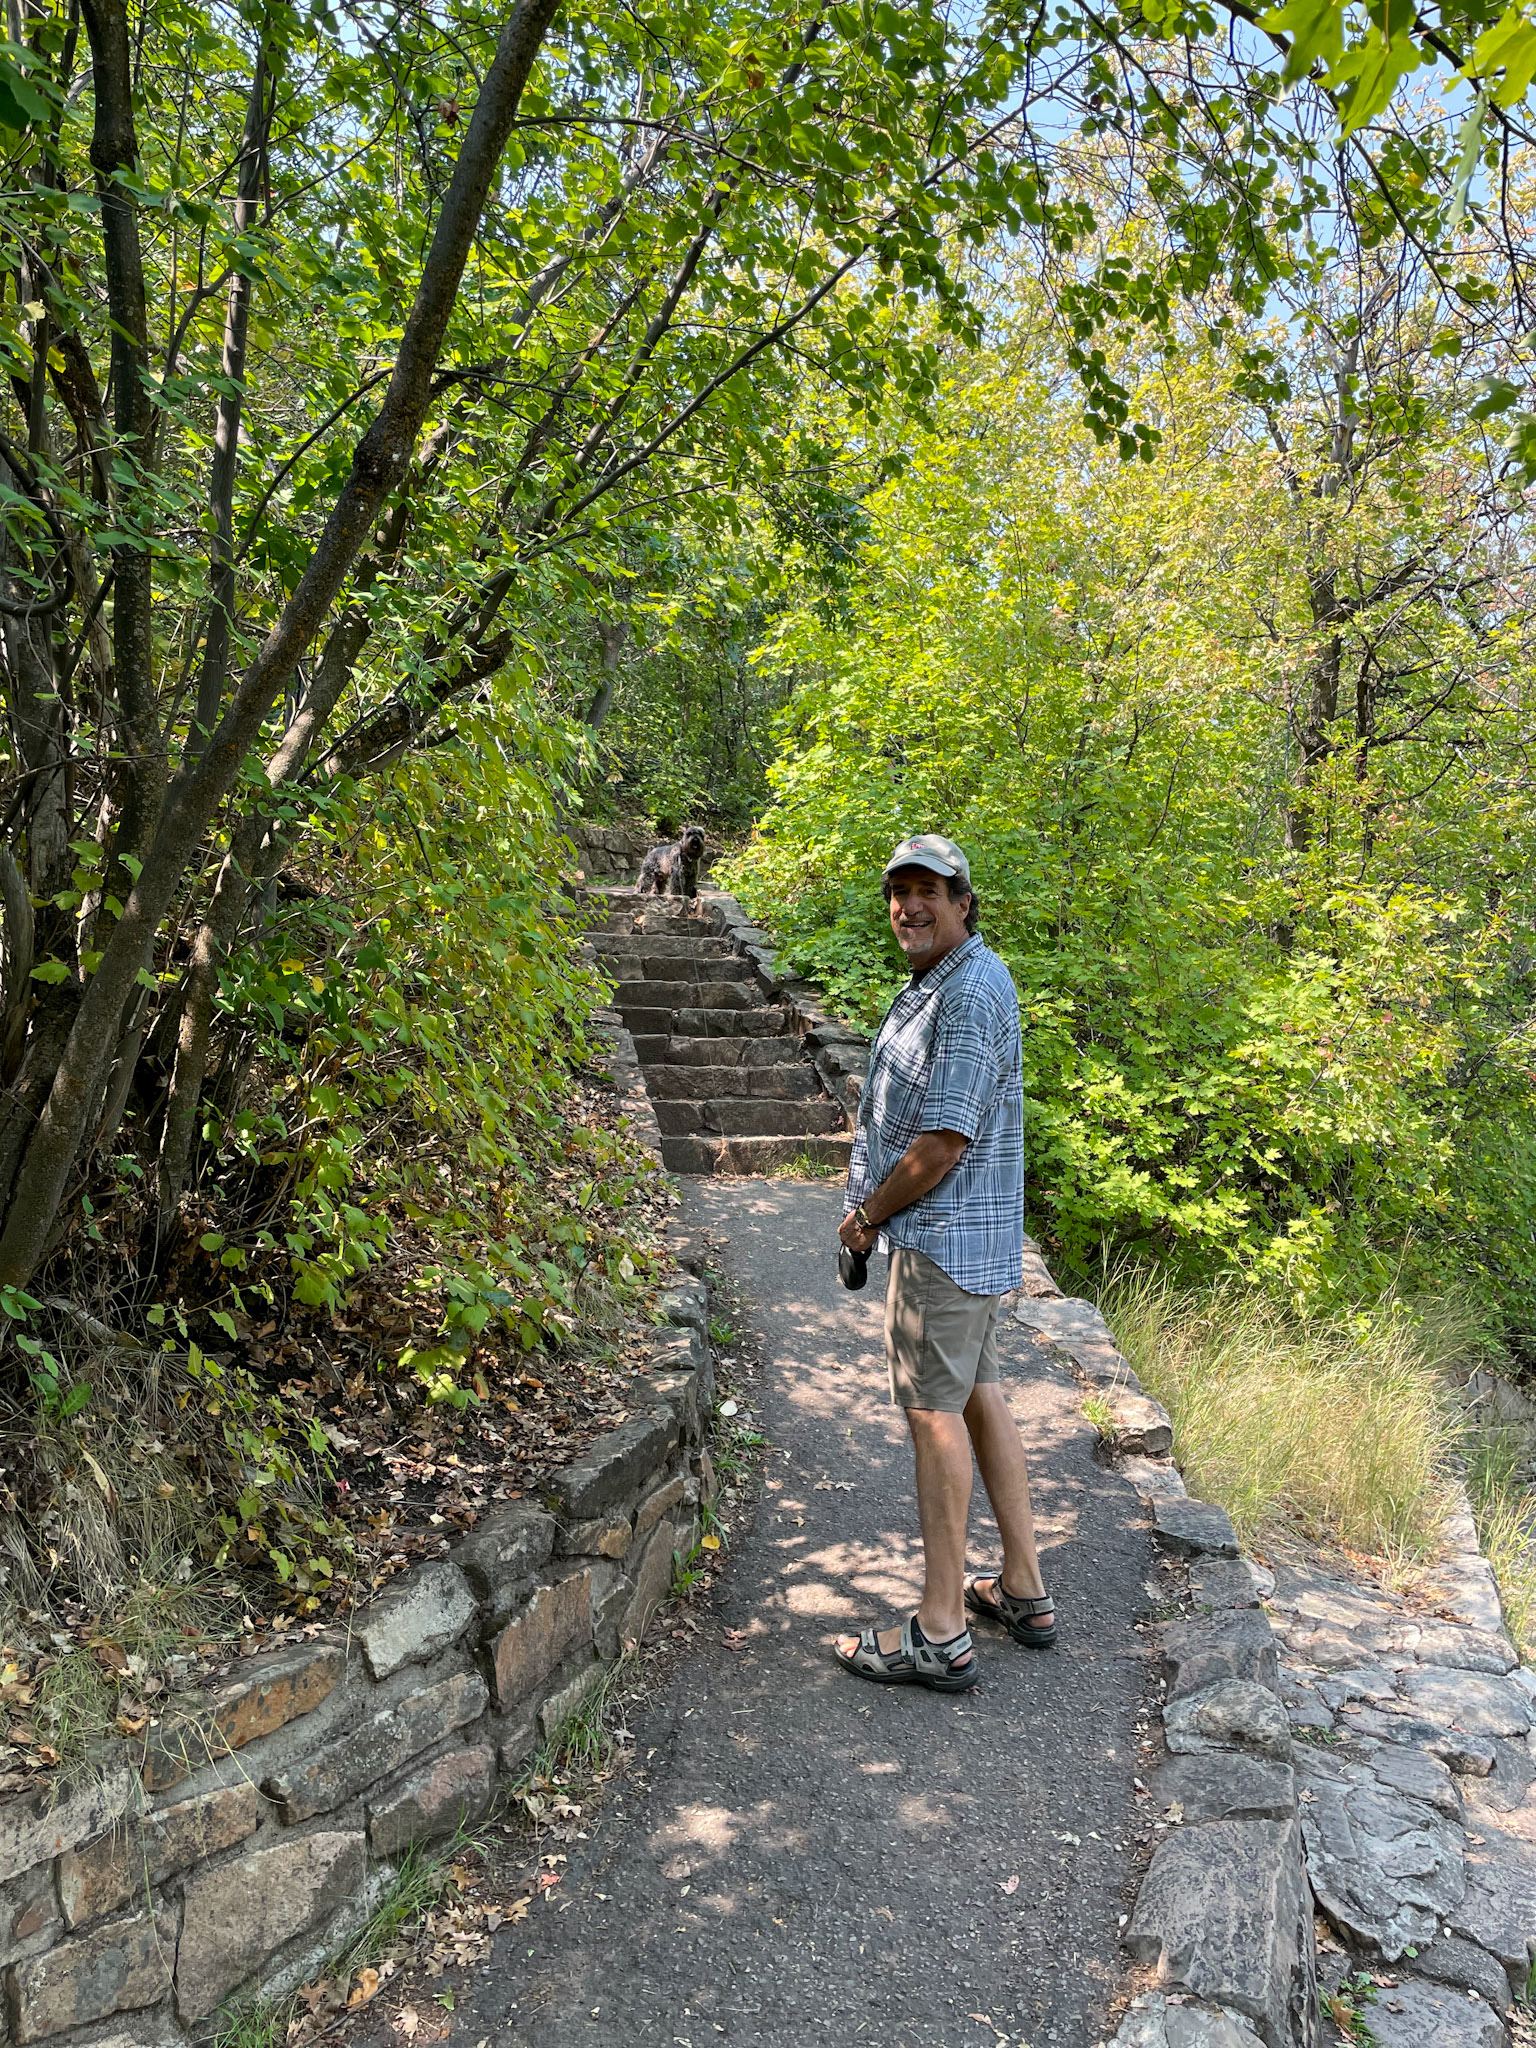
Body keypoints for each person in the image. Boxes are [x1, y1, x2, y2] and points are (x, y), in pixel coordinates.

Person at [833, 834, 1054, 1693]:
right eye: (900, 892)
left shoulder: (964, 993)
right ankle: (1023, 1589)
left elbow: (942, 1142)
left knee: (932, 1415)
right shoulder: (956, 979)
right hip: (974, 1240)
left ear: (964, 902)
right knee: (977, 1395)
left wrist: (867, 1218)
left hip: (941, 1239)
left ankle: (940, 1630)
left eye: (929, 890)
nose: (909, 906)